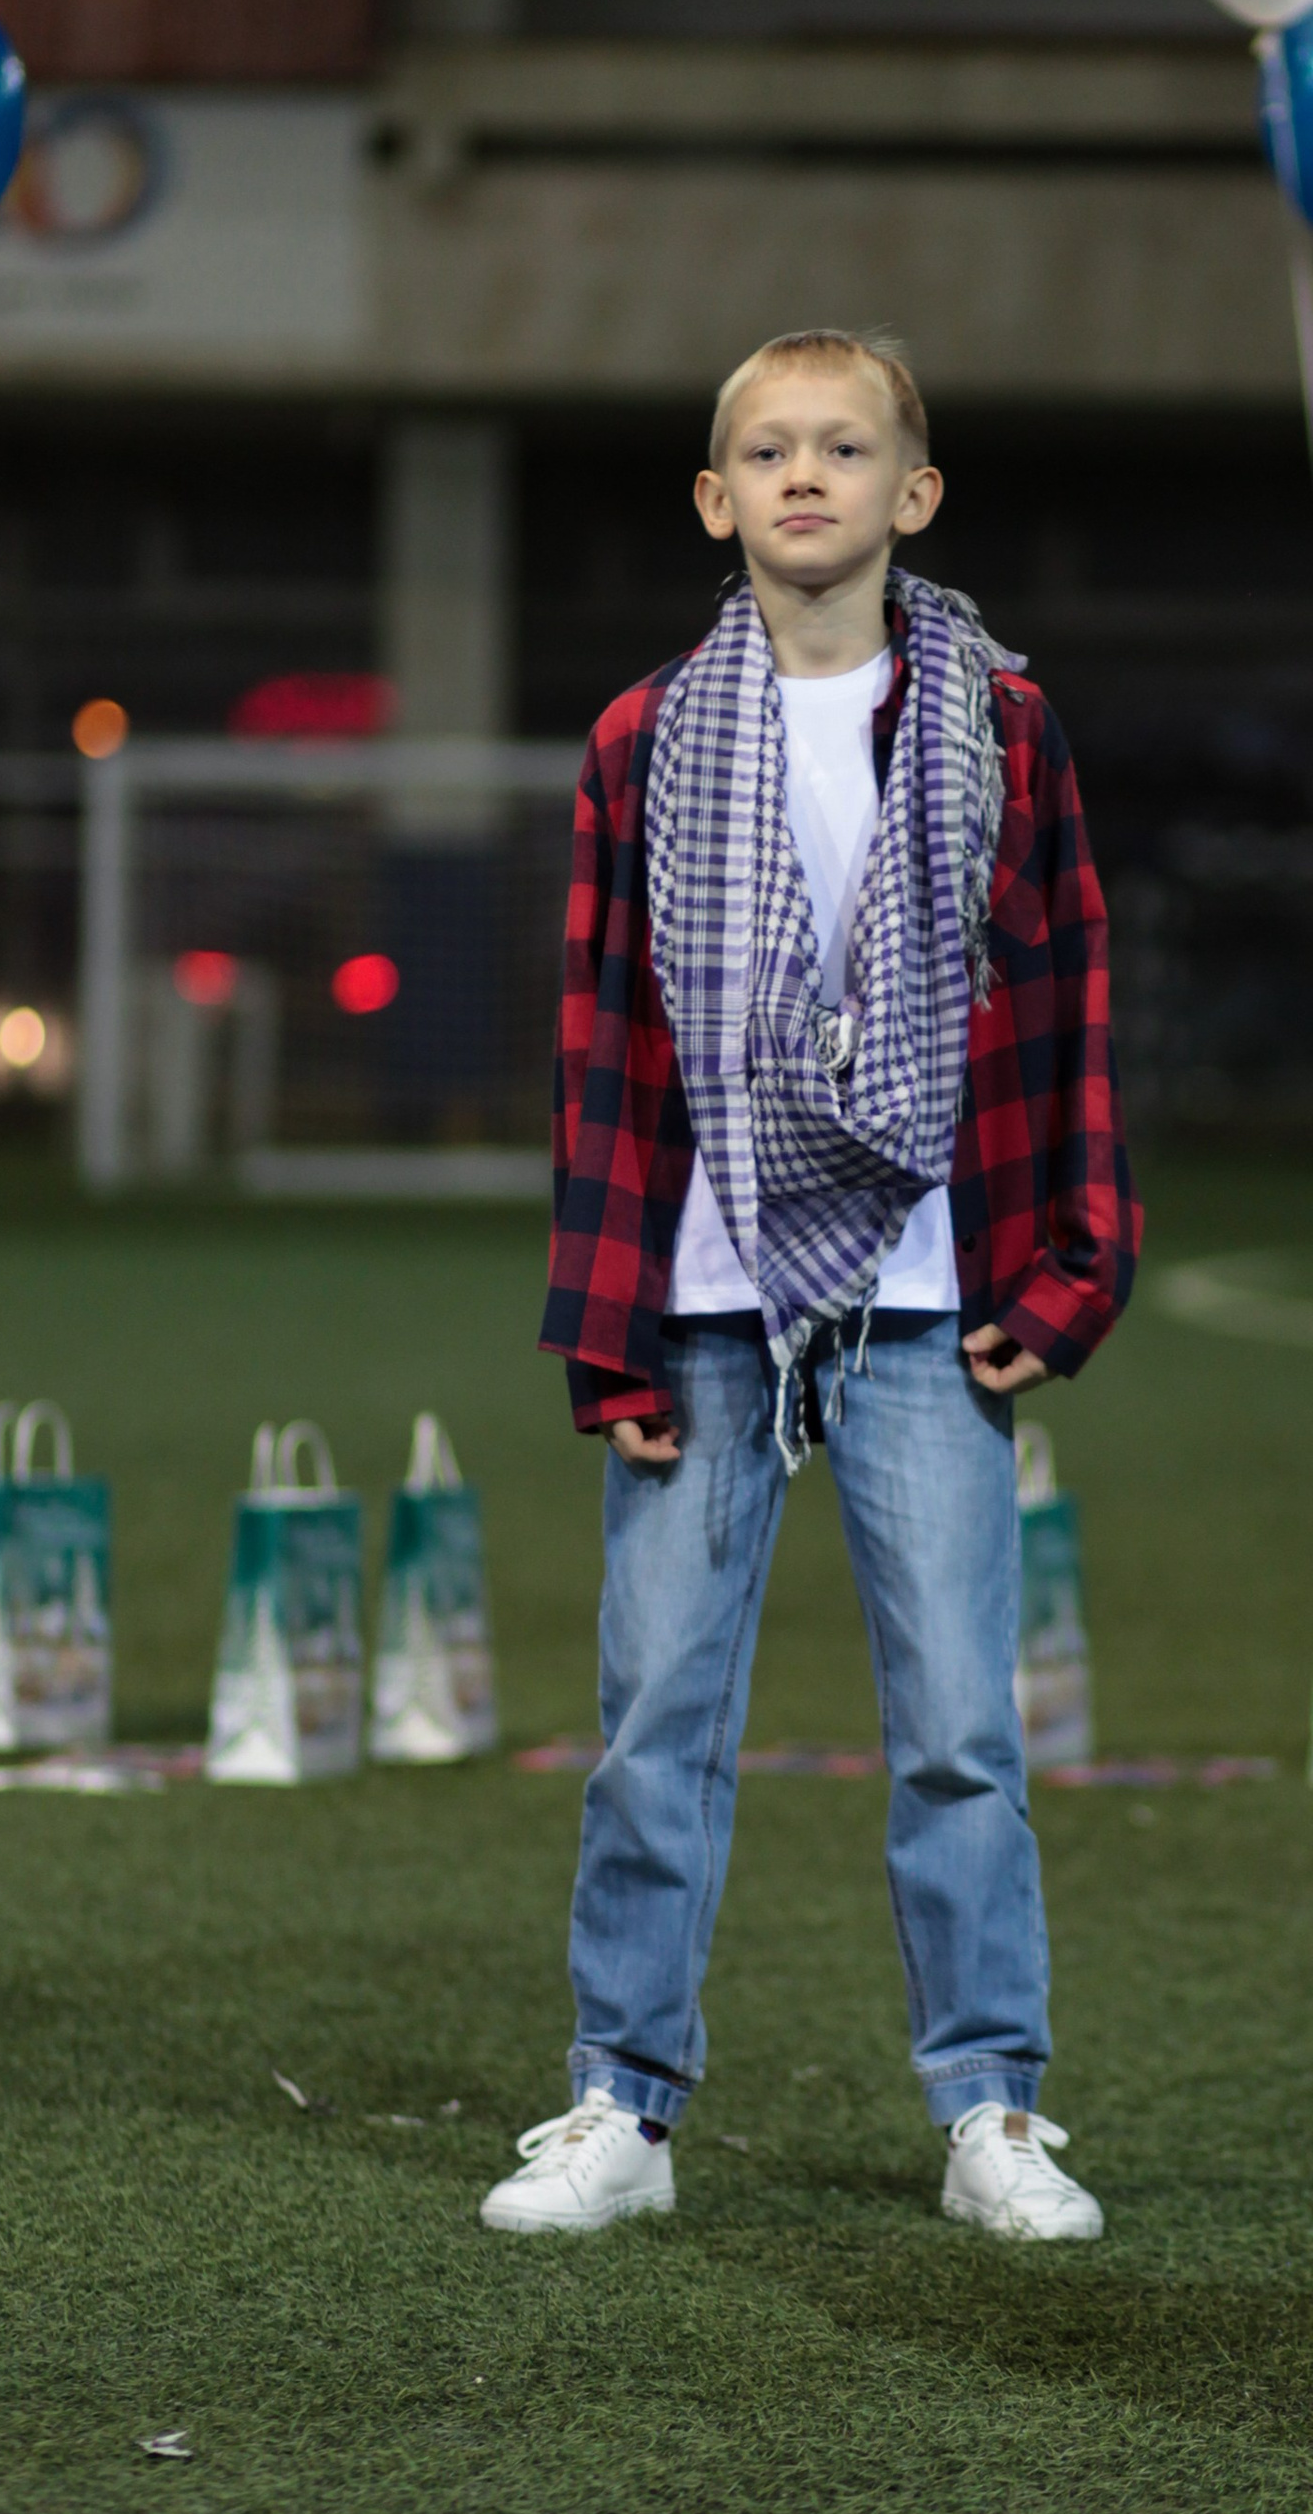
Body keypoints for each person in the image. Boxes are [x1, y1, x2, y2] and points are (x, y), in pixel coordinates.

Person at [483, 329, 1139, 2244]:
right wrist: (604, 1324)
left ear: (911, 495)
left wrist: (1075, 1265)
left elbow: (1076, 1005)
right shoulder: (643, 738)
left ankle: (992, 2109)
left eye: (844, 448)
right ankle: (623, 2102)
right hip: (701, 1292)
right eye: (765, 450)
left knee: (955, 1720)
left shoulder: (1006, 724)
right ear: (715, 499)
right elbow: (603, 1047)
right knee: (654, 1718)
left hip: (938, 1287)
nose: (803, 477)